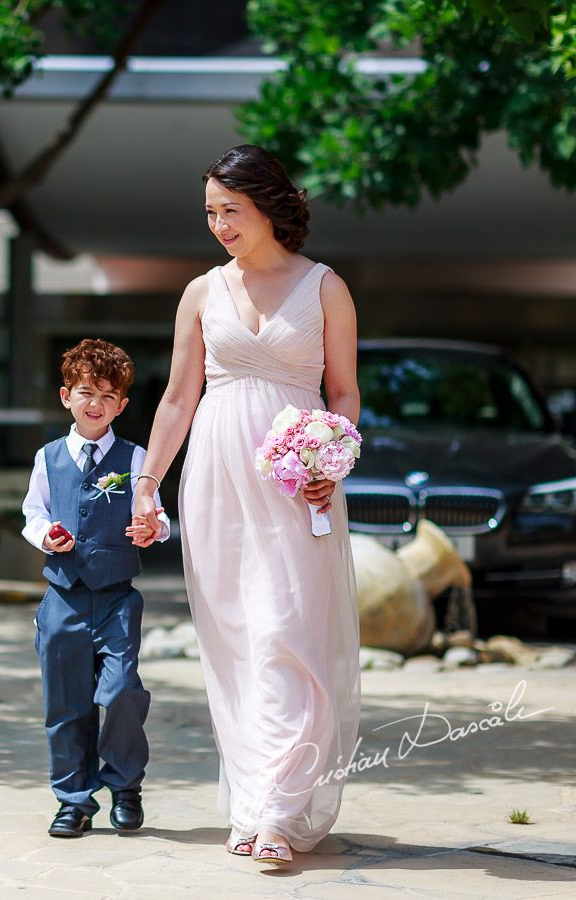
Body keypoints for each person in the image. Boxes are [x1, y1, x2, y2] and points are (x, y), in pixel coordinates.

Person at [127, 145, 361, 866]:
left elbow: (344, 392)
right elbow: (176, 398)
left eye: (232, 210)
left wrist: (333, 460)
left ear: (268, 205)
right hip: (217, 478)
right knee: (234, 641)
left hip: (298, 486)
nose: (220, 225)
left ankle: (284, 814)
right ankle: (258, 803)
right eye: (210, 213)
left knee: (286, 635)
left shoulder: (325, 287)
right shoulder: (201, 292)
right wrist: (148, 481)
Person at [21, 339, 170, 838]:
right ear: (67, 396)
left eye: (108, 397)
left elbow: (158, 513)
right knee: (66, 704)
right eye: (86, 393)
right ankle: (73, 800)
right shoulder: (48, 457)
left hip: (116, 597)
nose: (95, 404)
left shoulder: (135, 456)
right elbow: (33, 514)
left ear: (122, 405)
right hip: (62, 596)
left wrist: (153, 528)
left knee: (123, 690)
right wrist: (46, 536)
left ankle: (125, 784)